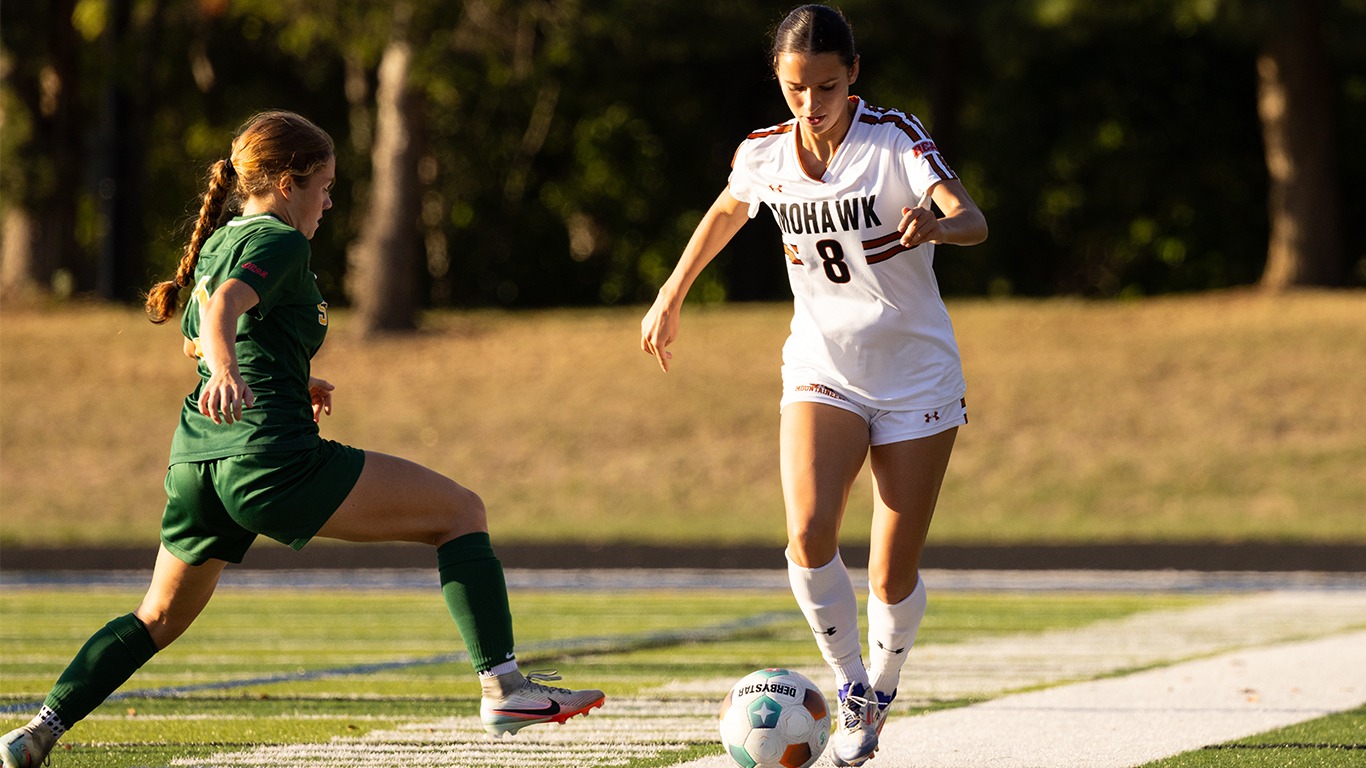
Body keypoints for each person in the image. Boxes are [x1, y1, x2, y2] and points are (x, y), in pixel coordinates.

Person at [0, 110, 603, 768]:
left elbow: (197, 337)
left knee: (157, 619)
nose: (329, 203)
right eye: (325, 186)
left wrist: (285, 372)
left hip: (197, 462)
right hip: (269, 459)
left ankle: (38, 731)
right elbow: (224, 311)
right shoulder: (282, 242)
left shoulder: (221, 240)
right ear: (287, 184)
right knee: (461, 513)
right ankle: (505, 689)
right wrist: (231, 372)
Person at [640, 6, 987, 766]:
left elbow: (972, 220)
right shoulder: (764, 151)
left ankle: (883, 686)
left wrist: (937, 225)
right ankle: (851, 682)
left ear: (853, 74)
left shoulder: (893, 139)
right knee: (806, 533)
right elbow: (729, 207)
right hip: (823, 367)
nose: (811, 103)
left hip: (916, 378)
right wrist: (672, 292)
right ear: (779, 78)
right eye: (796, 88)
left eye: (826, 86)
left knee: (890, 574)